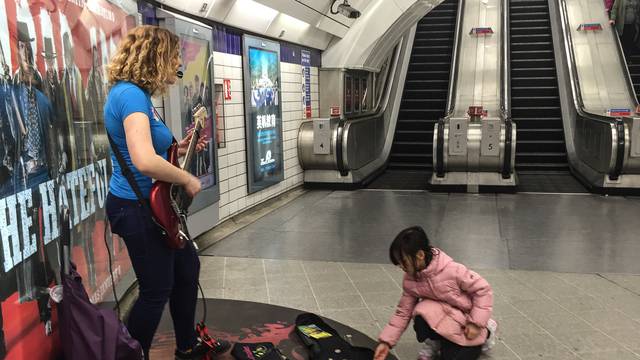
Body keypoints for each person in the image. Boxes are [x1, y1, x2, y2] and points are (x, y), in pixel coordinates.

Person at [104, 25, 230, 360]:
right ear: (156, 57)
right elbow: (144, 161)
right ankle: (130, 355)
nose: (177, 64)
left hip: (151, 206)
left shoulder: (136, 95)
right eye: (173, 57)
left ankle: (186, 346)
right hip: (137, 209)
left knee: (187, 269)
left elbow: (147, 150)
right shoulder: (130, 95)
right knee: (155, 290)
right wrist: (186, 179)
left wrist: (180, 146)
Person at [374, 226, 497, 360]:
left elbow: (483, 289)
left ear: (420, 255)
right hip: (445, 318)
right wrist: (386, 342)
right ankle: (437, 341)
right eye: (399, 264)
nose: (402, 267)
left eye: (404, 262)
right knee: (421, 314)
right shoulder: (411, 279)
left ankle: (487, 331)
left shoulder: (453, 270)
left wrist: (476, 323)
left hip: (466, 320)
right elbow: (403, 312)